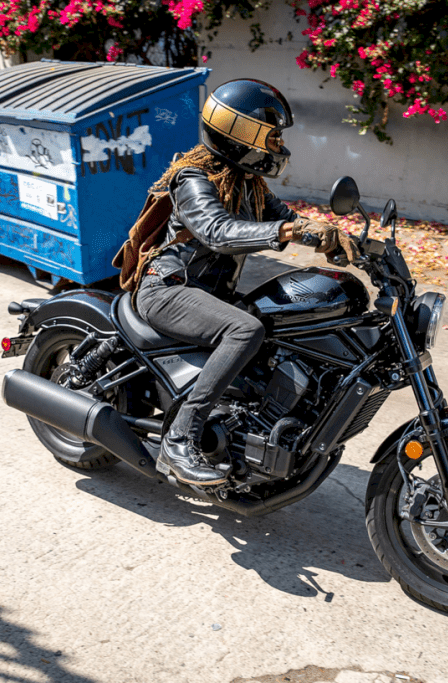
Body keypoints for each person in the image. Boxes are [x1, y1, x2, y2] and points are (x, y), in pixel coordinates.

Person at [134, 79, 360, 486]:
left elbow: (287, 217)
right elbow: (217, 230)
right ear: (242, 134)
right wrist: (289, 232)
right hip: (168, 289)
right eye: (271, 137)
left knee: (280, 325)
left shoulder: (248, 182)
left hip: (209, 294)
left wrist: (340, 240)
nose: (277, 145)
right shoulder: (193, 177)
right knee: (246, 328)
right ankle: (180, 438)